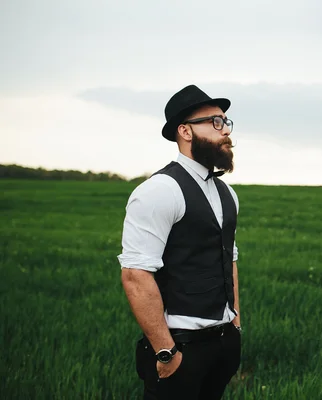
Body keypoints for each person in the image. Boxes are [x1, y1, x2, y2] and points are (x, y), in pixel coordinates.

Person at [118, 84, 242, 399]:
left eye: (226, 122)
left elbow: (229, 258)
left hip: (223, 343)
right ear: (185, 131)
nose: (224, 130)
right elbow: (135, 274)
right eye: (215, 121)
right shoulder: (160, 190)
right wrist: (165, 351)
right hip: (180, 348)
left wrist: (235, 324)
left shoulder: (227, 193)